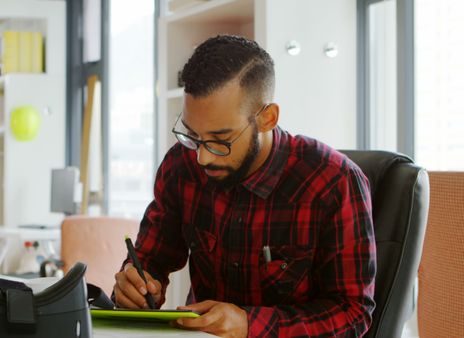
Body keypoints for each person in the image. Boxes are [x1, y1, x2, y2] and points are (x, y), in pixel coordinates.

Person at [112, 35, 376, 338]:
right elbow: (151, 259)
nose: (202, 156)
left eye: (221, 140)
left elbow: (353, 313)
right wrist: (136, 284)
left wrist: (250, 325)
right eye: (193, 135)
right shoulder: (181, 165)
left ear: (267, 118)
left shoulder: (333, 182)